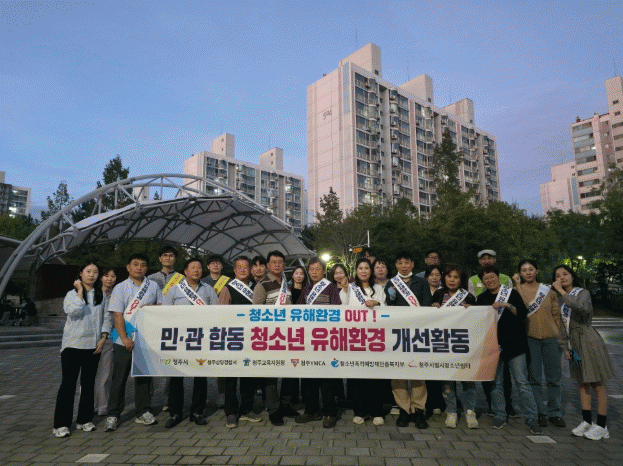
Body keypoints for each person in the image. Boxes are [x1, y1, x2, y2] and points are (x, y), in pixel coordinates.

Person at [475, 265, 542, 434]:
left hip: (515, 345)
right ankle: (500, 415)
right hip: (494, 347)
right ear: (482, 281)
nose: (490, 280)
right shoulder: (482, 298)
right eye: (486, 278)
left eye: (492, 277)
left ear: (498, 277)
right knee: (496, 383)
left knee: (522, 383)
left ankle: (532, 418)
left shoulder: (511, 293)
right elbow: (478, 322)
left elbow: (522, 314)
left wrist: (506, 304)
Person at [552, 265, 615, 441]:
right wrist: (565, 347)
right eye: (557, 275)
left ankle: (602, 425)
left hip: (588, 341)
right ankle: (587, 421)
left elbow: (582, 308)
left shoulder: (583, 293)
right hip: (574, 344)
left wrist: (562, 292)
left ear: (572, 276)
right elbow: (561, 326)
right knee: (582, 383)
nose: (561, 277)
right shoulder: (560, 300)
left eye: (565, 274)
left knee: (597, 383)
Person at [104, 253, 163, 431]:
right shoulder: (120, 287)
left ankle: (143, 411)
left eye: (143, 265)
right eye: (135, 264)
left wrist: (153, 308)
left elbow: (161, 306)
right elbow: (117, 314)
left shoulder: (153, 285)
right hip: (123, 338)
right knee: (119, 378)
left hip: (146, 338)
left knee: (143, 377)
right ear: (128, 267)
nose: (139, 267)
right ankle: (113, 414)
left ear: (147, 268)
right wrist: (124, 338)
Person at [53, 262, 111, 438]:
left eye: (95, 272)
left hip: (93, 346)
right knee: (68, 385)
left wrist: (103, 337)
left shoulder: (101, 294)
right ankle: (61, 424)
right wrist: (79, 291)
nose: (92, 275)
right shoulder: (71, 294)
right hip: (73, 345)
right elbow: (73, 311)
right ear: (80, 274)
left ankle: (84, 420)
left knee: (88, 384)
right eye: (88, 271)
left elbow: (106, 317)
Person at [162, 258, 219, 428]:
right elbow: (164, 313)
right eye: (192, 267)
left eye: (199, 267)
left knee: (200, 376)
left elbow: (216, 313)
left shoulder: (208, 290)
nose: (196, 270)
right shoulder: (174, 290)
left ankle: (197, 412)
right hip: (179, 339)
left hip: (201, 339)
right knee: (176, 376)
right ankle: (175, 413)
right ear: (185, 271)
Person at [512, 260, 565, 428]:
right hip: (530, 338)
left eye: (531, 269)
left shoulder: (548, 290)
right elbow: (523, 308)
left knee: (554, 378)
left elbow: (556, 315)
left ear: (537, 271)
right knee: (534, 378)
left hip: (551, 338)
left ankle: (555, 412)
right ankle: (540, 412)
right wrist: (517, 285)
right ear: (520, 274)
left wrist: (561, 337)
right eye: (524, 270)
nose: (528, 272)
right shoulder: (516, 291)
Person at [385, 251, 431, 429]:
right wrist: (391, 296)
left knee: (418, 372)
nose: (403, 266)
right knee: (399, 373)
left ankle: (418, 410)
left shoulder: (422, 282)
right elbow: (389, 307)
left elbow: (426, 306)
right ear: (396, 265)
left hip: (418, 333)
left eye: (406, 262)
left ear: (412, 264)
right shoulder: (391, 283)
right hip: (398, 334)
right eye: (400, 263)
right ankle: (404, 409)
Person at [295, 257, 341, 428]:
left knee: (326, 377)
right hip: (308, 339)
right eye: (311, 269)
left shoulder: (331, 287)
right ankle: (311, 410)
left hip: (325, 338)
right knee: (308, 376)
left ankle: (330, 412)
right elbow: (298, 310)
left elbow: (337, 311)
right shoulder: (306, 288)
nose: (314, 272)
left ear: (324, 271)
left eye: (317, 269)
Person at [469, 249, 516, 417]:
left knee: (505, 372)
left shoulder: (506, 278)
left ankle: (508, 404)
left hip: (504, 329)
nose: (486, 261)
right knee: (487, 368)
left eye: (489, 258)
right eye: (483, 259)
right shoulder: (472, 280)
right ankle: (491, 403)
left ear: (495, 260)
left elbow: (512, 299)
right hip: (485, 328)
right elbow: (472, 301)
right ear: (479, 262)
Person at [431, 265, 478, 429]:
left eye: (456, 277)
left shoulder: (469, 297)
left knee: (468, 378)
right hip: (444, 342)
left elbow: (476, 319)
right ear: (444, 278)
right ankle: (451, 411)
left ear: (461, 280)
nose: (452, 280)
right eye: (449, 276)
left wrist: (471, 310)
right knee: (448, 379)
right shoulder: (438, 294)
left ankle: (470, 411)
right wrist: (433, 308)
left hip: (463, 342)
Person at [220, 256, 262, 428]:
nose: (243, 269)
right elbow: (221, 314)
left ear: (250, 269)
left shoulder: (256, 288)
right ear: (234, 270)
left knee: (248, 375)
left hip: (252, 338)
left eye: (246, 266)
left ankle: (247, 409)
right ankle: (231, 412)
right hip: (233, 337)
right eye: (239, 267)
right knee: (230, 377)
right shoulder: (227, 288)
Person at [252, 250, 293, 426]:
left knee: (289, 371)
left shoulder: (286, 284)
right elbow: (256, 312)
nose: (277, 265)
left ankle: (286, 405)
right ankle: (274, 410)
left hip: (288, 335)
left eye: (280, 262)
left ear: (284, 265)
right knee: (271, 374)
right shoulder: (262, 285)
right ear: (268, 265)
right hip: (270, 336)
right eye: (273, 262)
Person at [345, 258, 387, 426]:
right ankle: (360, 411)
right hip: (355, 336)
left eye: (366, 268)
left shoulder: (379, 288)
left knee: (376, 375)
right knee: (358, 375)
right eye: (360, 268)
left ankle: (377, 411)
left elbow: (386, 307)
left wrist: (377, 303)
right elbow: (342, 305)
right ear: (356, 271)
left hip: (376, 337)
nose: (363, 271)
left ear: (371, 271)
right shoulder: (350, 288)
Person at [147, 246, 183, 412]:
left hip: (173, 324)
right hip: (154, 324)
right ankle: (147, 399)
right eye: (165, 255)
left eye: (171, 255)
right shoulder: (151, 278)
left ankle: (169, 399)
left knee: (172, 362)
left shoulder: (182, 279)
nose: (168, 258)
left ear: (175, 258)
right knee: (150, 361)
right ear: (160, 258)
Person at [93, 267, 117, 416]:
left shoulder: (117, 294)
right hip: (91, 338)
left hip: (109, 338)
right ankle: (90, 404)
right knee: (90, 374)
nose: (110, 279)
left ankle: (102, 406)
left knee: (105, 374)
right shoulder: (93, 294)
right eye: (106, 276)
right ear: (101, 278)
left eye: (113, 276)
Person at [423, 264, 445, 417]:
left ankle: (439, 401)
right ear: (426, 277)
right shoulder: (422, 291)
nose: (435, 278)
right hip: (425, 334)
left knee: (439, 370)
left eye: (437, 275)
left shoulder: (445, 292)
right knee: (427, 370)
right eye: (431, 275)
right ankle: (428, 402)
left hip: (441, 334)